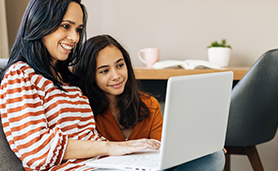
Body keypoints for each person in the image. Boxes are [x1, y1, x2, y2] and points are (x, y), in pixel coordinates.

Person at [0, 1, 160, 170]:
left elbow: (89, 138)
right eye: (66, 26)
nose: (75, 38)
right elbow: (37, 150)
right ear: (40, 23)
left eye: (78, 29)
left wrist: (130, 155)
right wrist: (111, 147)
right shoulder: (20, 75)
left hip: (101, 165)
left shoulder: (69, 81)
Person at [73, 34, 226, 170]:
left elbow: (165, 151)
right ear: (90, 75)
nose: (116, 75)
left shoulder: (148, 104)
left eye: (120, 65)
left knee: (216, 157)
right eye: (104, 71)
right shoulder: (84, 111)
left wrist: (199, 148)